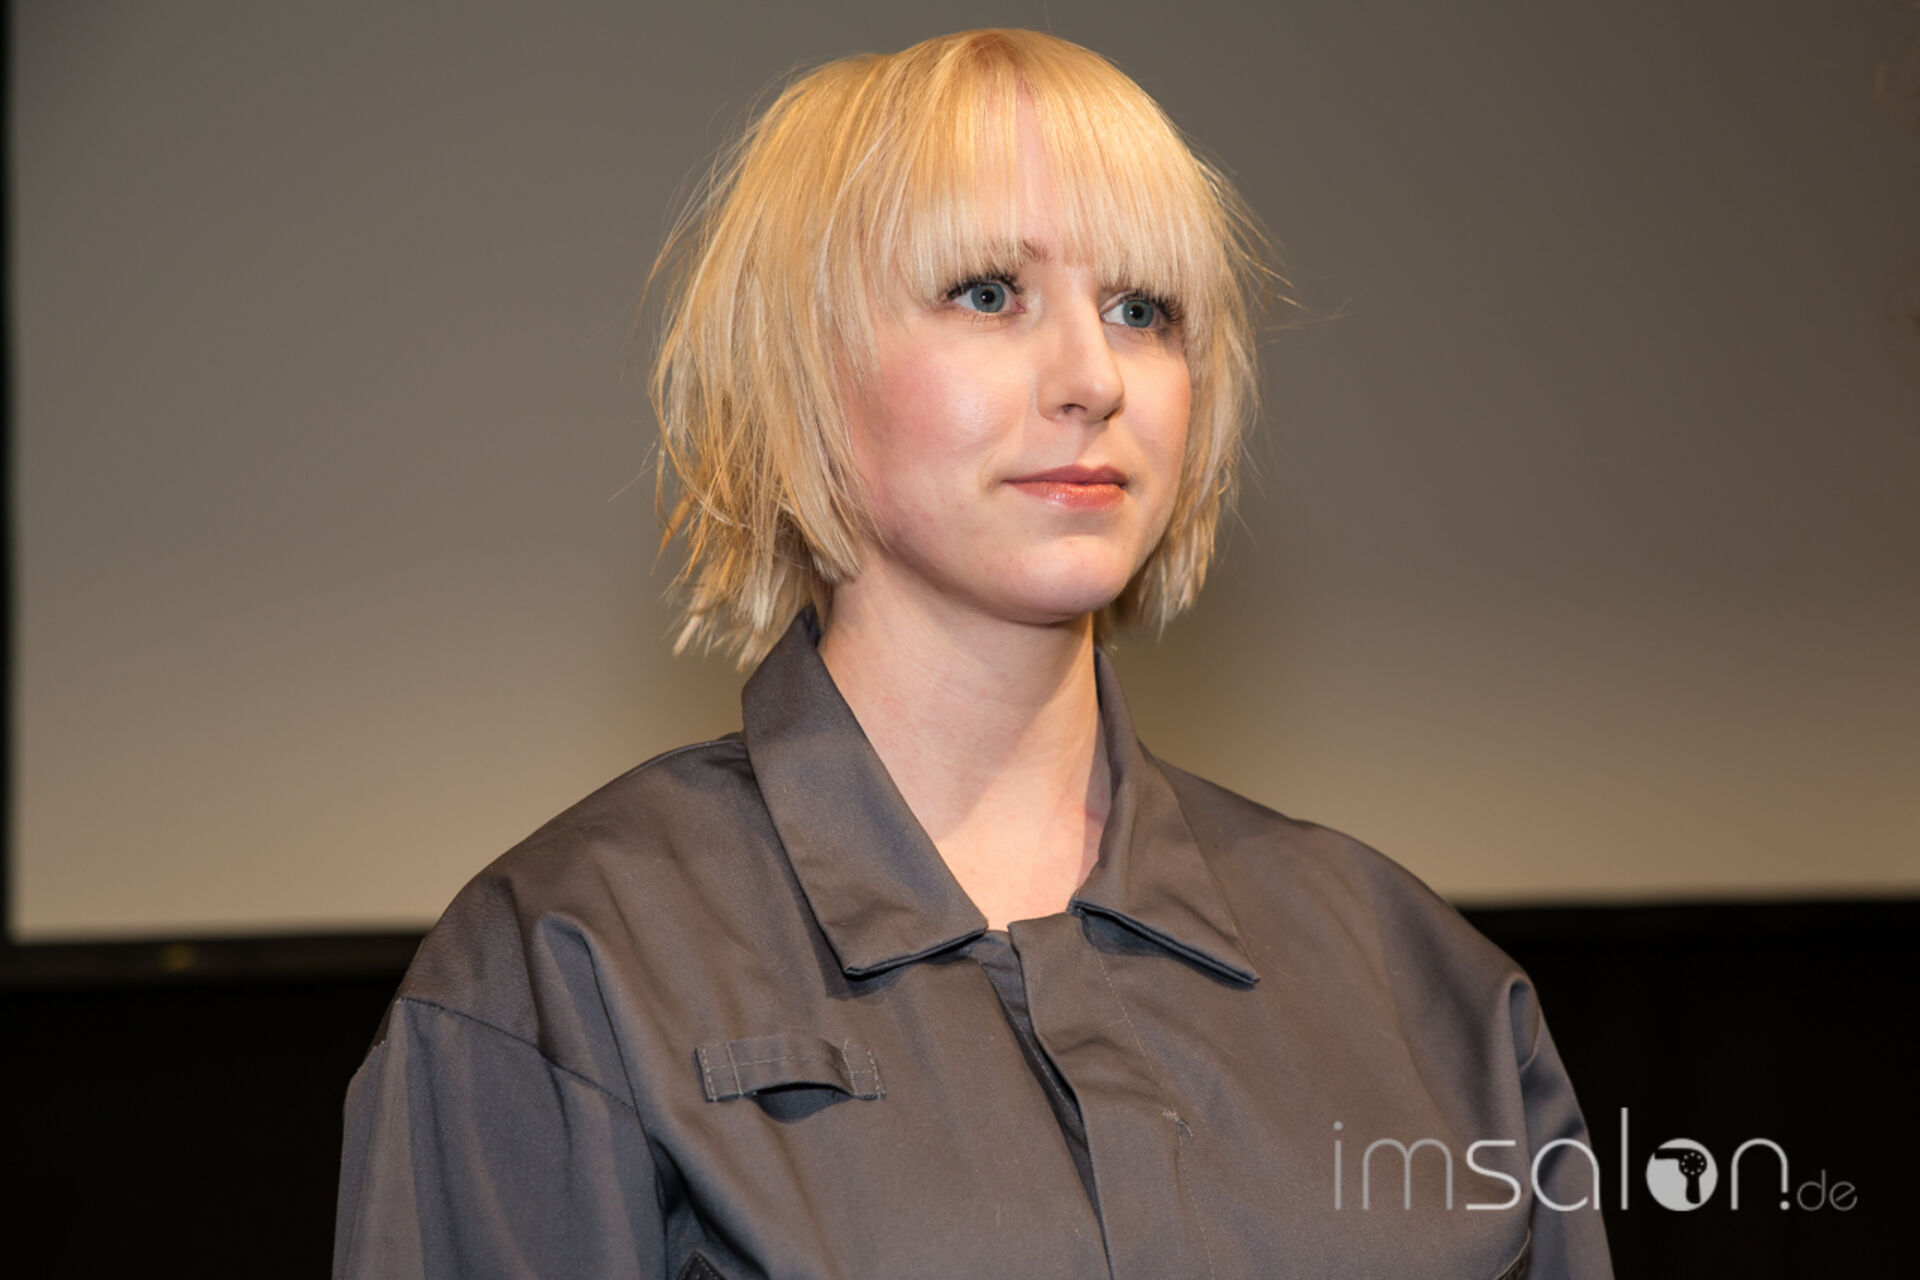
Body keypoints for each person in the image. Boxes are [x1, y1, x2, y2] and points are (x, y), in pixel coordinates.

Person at [333, 28, 1613, 1280]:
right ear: (805, 369)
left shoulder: (1423, 987)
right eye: (989, 293)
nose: (1093, 375)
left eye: (1142, 309)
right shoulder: (562, 975)